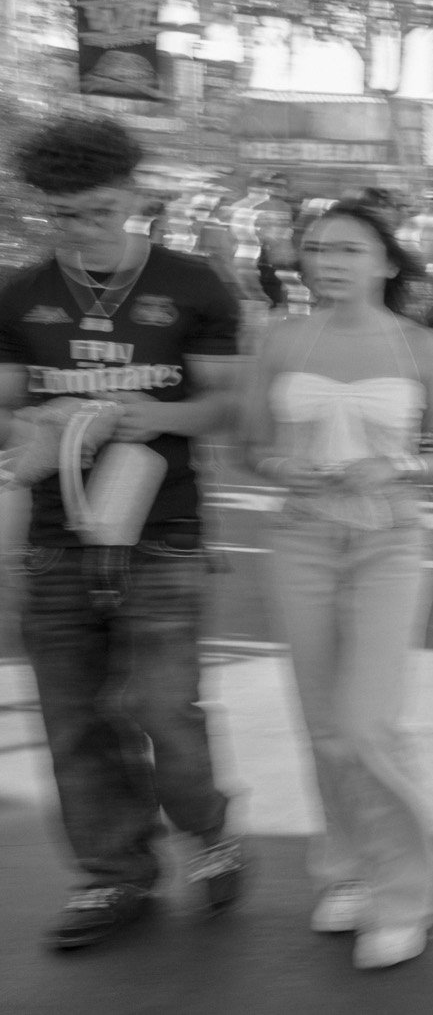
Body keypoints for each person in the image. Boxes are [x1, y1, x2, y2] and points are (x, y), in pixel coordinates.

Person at [0, 115, 248, 949]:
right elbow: (3, 409)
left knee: (163, 708)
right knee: (73, 717)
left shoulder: (196, 284)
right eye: (63, 215)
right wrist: (39, 422)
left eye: (100, 210)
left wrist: (158, 412)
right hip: (54, 534)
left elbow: (229, 405)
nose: (82, 230)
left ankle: (208, 832)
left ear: (134, 197)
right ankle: (112, 875)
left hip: (164, 527)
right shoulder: (20, 293)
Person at [238, 200, 433, 969]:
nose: (327, 262)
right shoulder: (279, 339)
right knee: (321, 722)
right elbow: (250, 447)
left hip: (390, 540)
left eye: (347, 248)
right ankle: (345, 868)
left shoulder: (420, 344)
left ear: (387, 261)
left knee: (368, 721)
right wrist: (281, 466)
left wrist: (397, 463)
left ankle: (403, 894)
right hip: (300, 538)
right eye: (314, 249)